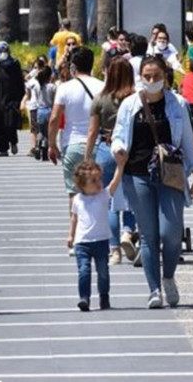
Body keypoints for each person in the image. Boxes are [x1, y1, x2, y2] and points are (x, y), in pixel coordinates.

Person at [111, 55, 193, 309]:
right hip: (137, 175)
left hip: (170, 174)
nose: (151, 81)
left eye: (156, 76)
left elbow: (187, 137)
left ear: (165, 77)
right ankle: (154, 290)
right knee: (149, 235)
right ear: (140, 76)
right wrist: (118, 149)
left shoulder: (177, 104)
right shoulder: (130, 105)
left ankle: (169, 277)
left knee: (171, 232)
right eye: (147, 76)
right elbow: (118, 136)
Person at [84, 56, 138, 266]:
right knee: (133, 198)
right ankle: (128, 232)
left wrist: (88, 157)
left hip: (106, 149)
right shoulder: (135, 98)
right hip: (131, 149)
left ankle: (114, 250)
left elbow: (92, 131)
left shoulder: (100, 99)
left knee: (110, 201)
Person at [48, 46, 105, 211]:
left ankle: (76, 231)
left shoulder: (64, 88)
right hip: (97, 144)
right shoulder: (102, 86)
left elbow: (54, 118)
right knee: (98, 191)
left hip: (72, 144)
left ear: (73, 66)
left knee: (74, 193)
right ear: (92, 65)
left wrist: (52, 145)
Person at [68, 160, 125, 311]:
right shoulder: (77, 200)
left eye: (99, 178)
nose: (98, 183)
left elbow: (114, 183)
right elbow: (74, 218)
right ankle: (84, 298)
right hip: (82, 242)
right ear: (82, 184)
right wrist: (70, 236)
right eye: (93, 180)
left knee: (103, 272)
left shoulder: (104, 195)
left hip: (101, 241)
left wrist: (120, 166)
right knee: (84, 270)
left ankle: (104, 297)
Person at [0, 41, 25, 156]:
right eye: (0, 52)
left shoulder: (15, 64)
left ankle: (13, 142)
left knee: (10, 124)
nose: (3, 54)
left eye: (5, 51)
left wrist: (22, 99)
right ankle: (2, 149)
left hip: (12, 99)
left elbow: (20, 82)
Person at [22, 57, 47, 157]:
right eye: (35, 68)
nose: (37, 70)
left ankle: (44, 146)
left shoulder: (46, 81)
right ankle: (33, 147)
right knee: (34, 128)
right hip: (33, 106)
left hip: (43, 106)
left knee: (43, 128)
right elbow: (27, 92)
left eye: (39, 68)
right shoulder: (31, 81)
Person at [34, 66, 56, 160]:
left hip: (40, 110)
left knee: (40, 131)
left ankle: (38, 145)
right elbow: (55, 100)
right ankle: (44, 152)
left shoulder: (37, 87)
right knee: (48, 133)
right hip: (49, 110)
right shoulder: (52, 87)